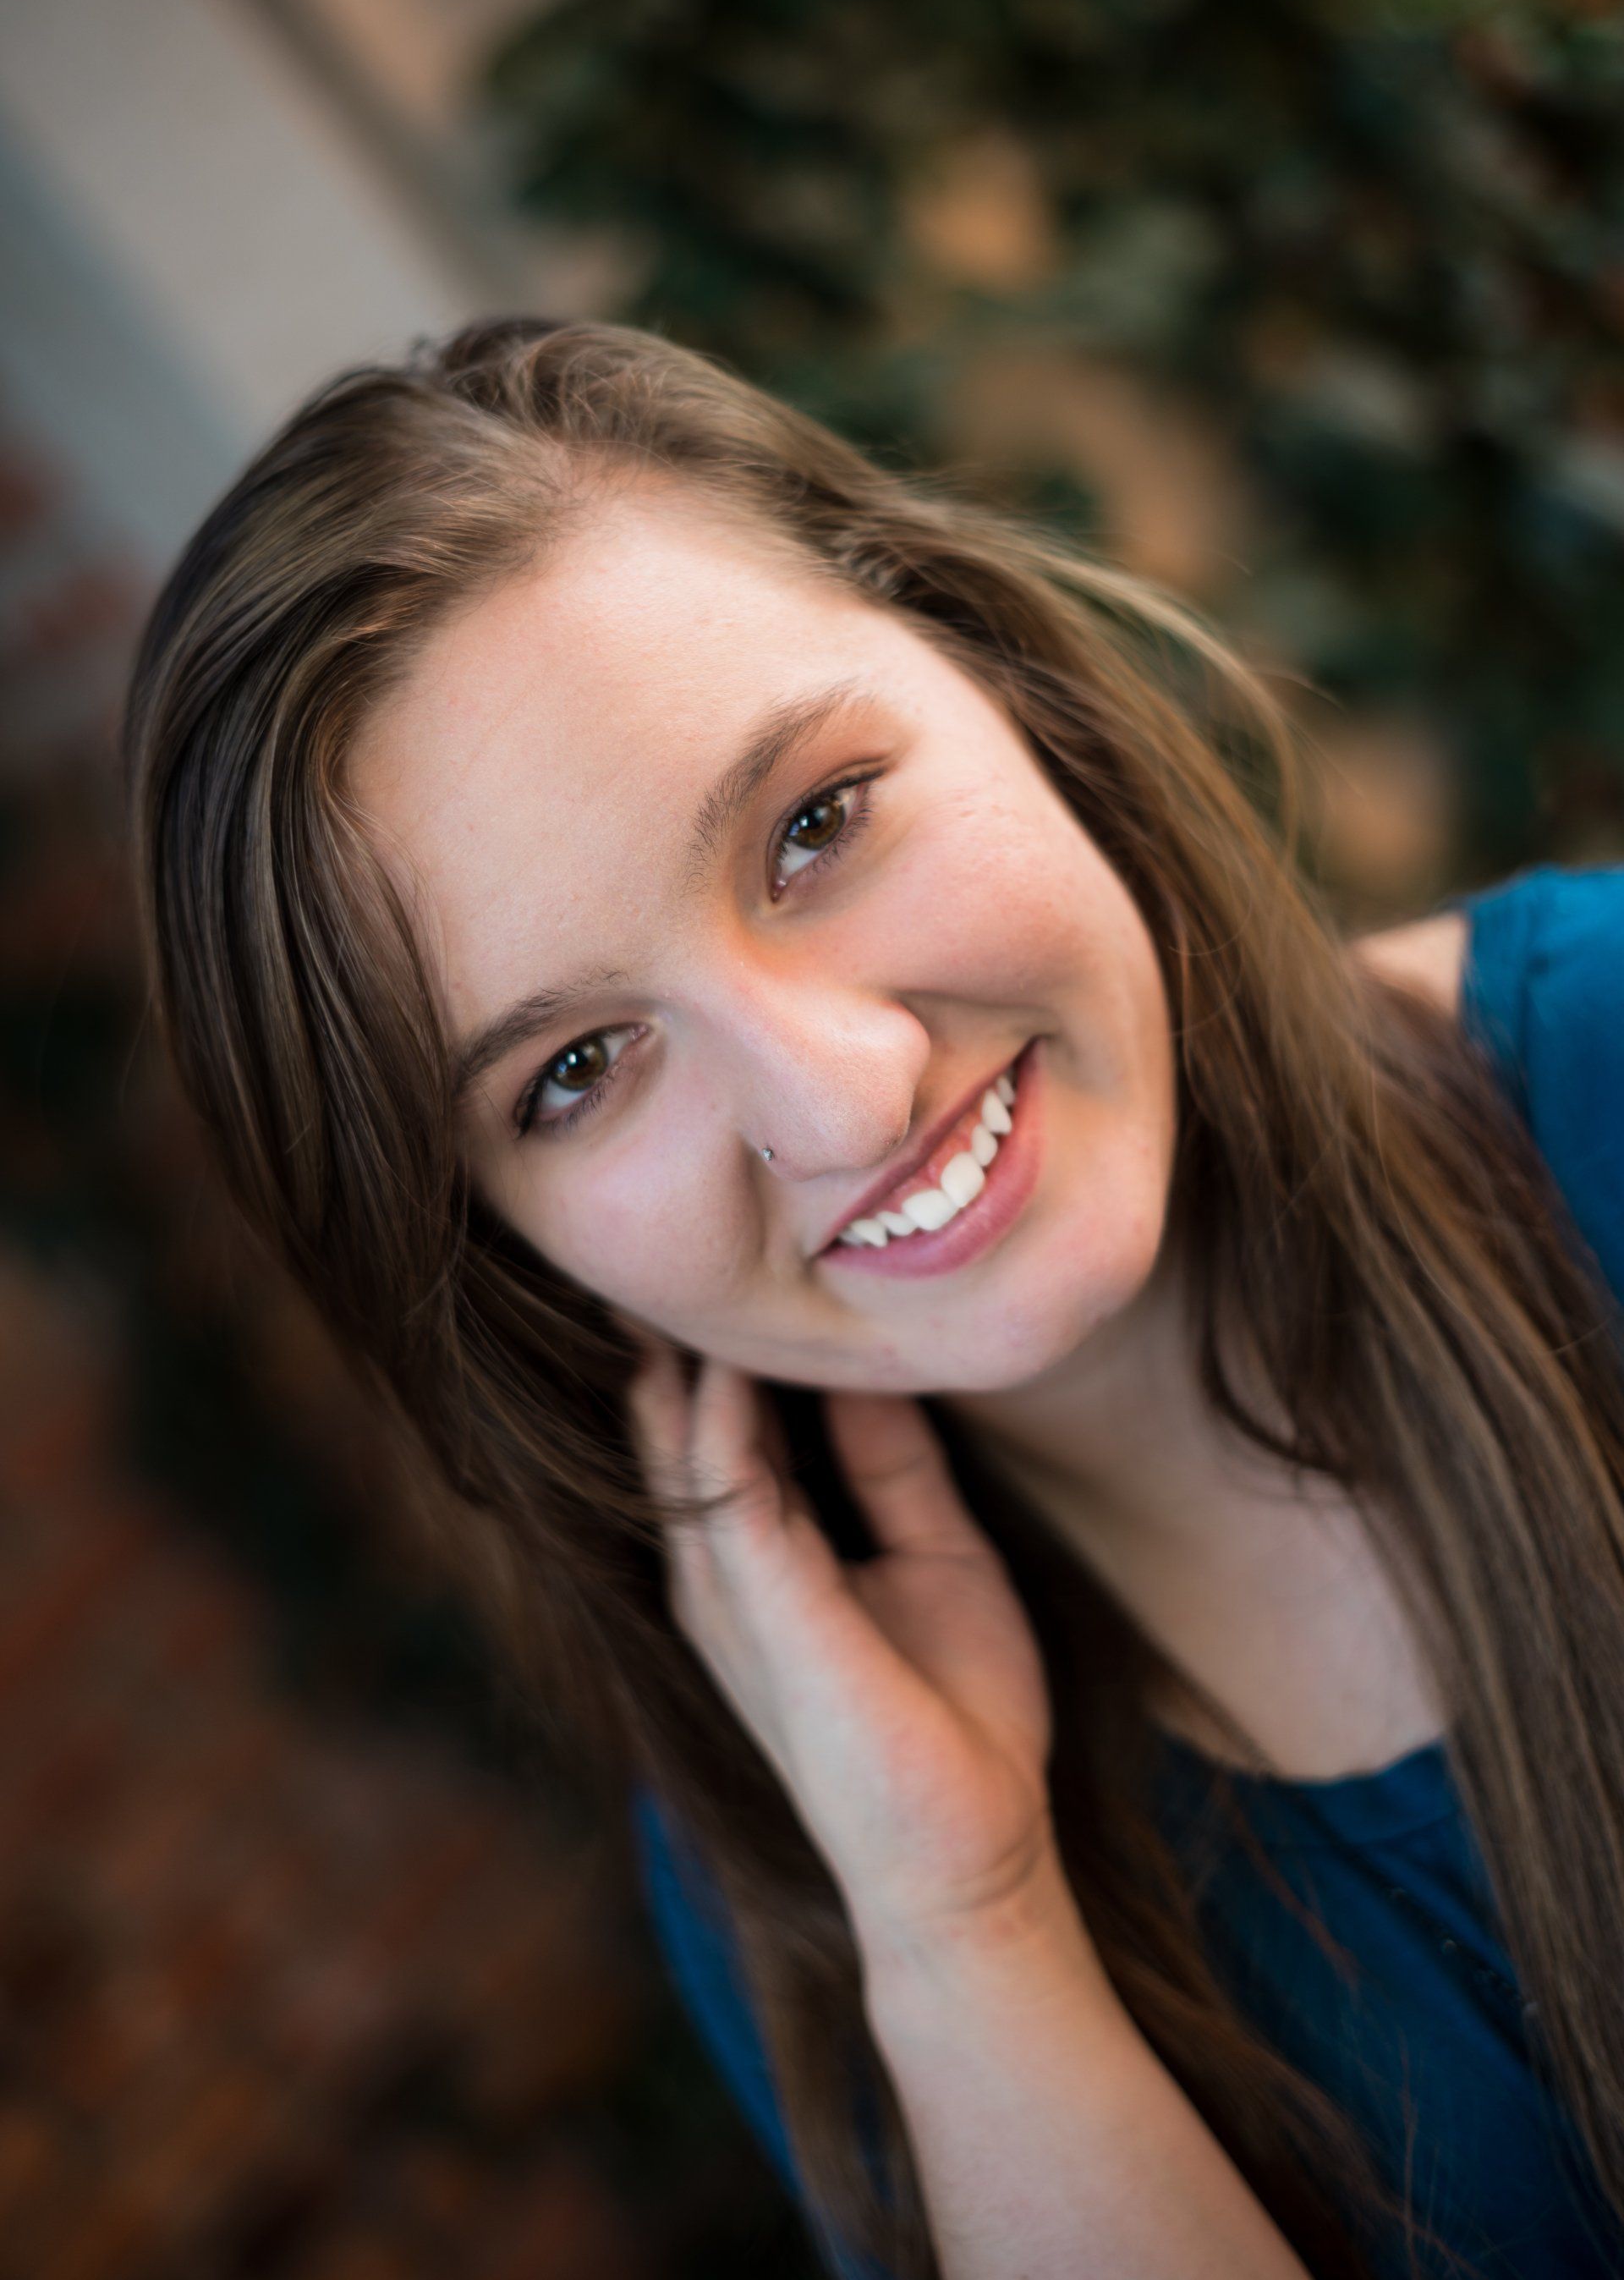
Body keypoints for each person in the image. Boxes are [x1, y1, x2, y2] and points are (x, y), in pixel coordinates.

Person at [120, 315, 1624, 2280]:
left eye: (815, 825)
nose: (843, 1098)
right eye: (577, 1071)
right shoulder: (809, 1832)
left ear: (994, 673)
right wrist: (964, 1932)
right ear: (508, 1254)